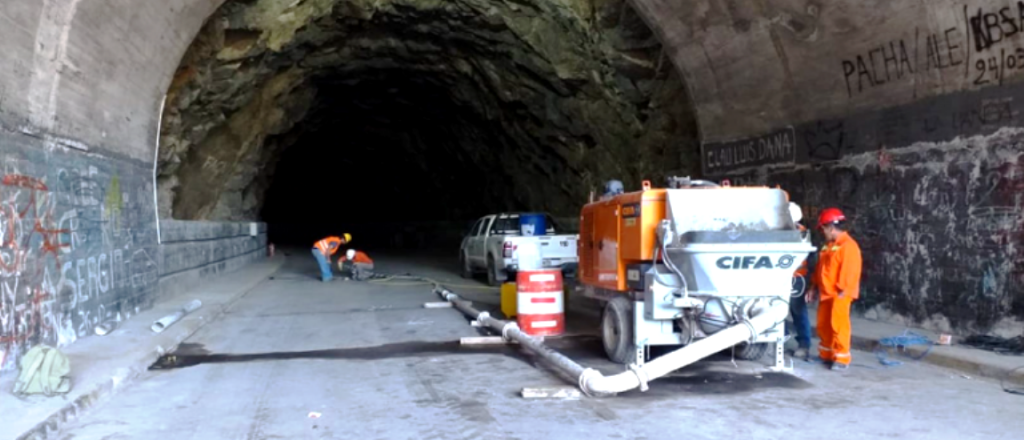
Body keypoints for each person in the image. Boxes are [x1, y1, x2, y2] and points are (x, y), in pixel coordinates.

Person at [806, 208, 862, 371]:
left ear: (830, 227)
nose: (823, 232)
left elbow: (851, 271)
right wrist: (813, 286)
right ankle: (826, 355)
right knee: (824, 325)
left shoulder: (848, 246)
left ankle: (842, 358)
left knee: (838, 325)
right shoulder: (828, 247)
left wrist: (843, 291)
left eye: (823, 228)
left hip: (839, 293)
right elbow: (820, 268)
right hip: (826, 292)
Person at [786, 203, 816, 361]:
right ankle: (782, 338)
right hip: (784, 276)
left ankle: (804, 344)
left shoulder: (800, 233)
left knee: (797, 310)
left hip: (796, 278)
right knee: (777, 309)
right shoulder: (788, 231)